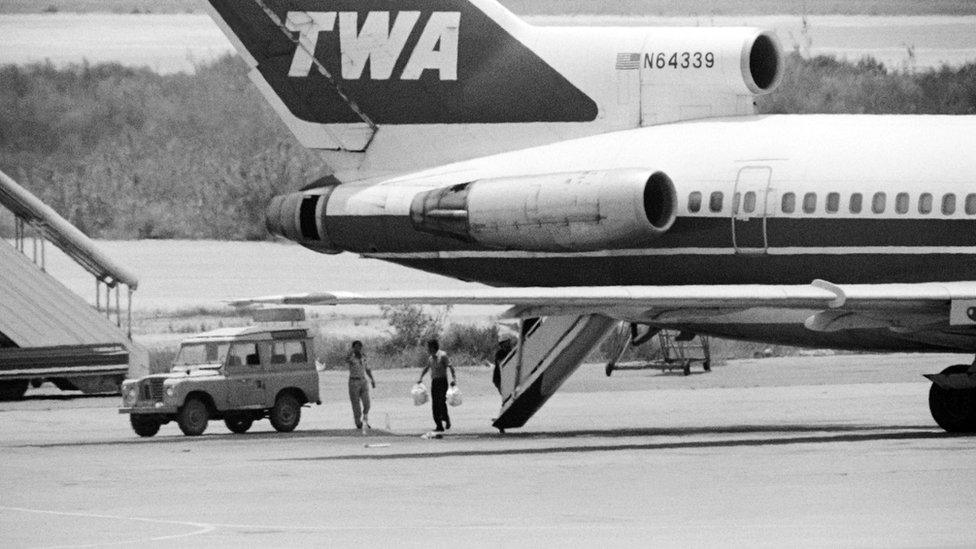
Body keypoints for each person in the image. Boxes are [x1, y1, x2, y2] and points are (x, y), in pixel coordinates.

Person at [417, 339, 456, 432]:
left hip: (442, 381)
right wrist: (420, 378)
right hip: (434, 382)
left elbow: (451, 367)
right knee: (435, 404)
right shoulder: (430, 358)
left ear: (433, 347)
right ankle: (439, 425)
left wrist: (454, 379)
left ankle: (446, 419)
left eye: (429, 347)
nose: (427, 349)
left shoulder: (443, 355)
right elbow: (427, 368)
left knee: (442, 402)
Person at [345, 340, 375, 430]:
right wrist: (351, 352)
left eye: (360, 347)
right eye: (357, 347)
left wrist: (372, 379)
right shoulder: (351, 357)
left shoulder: (363, 357)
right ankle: (358, 422)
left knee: (367, 403)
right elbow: (346, 360)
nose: (359, 349)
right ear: (354, 348)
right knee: (356, 404)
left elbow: (367, 369)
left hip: (363, 380)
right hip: (354, 381)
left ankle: (365, 420)